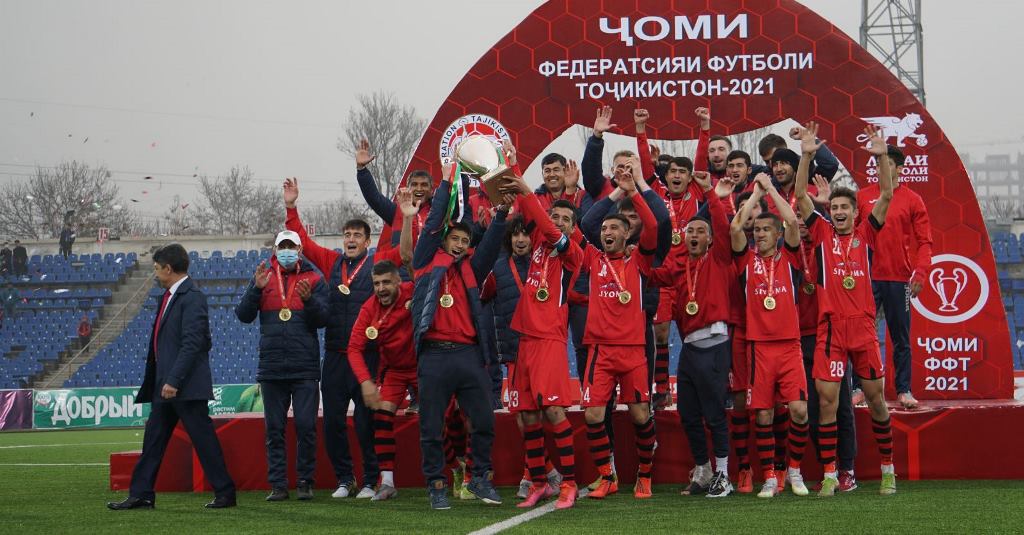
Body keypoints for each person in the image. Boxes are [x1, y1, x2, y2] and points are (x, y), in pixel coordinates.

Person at [794, 122, 898, 496]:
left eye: (844, 207)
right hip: (831, 330)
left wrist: (882, 157)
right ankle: (830, 474)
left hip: (863, 328)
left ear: (855, 212)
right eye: (834, 207)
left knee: (876, 400)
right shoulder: (821, 233)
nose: (838, 211)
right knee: (827, 403)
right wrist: (806, 156)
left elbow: (886, 194)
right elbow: (800, 196)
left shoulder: (867, 233)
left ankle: (888, 470)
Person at [283, 177, 399, 499]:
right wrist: (291, 207)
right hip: (334, 355)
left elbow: (406, 250)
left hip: (367, 355)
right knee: (333, 422)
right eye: (347, 235)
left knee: (364, 422)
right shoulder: (333, 263)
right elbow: (304, 242)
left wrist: (405, 217)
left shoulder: (377, 263)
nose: (350, 239)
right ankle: (345, 479)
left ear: (367, 241)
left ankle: (370, 479)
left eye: (357, 235)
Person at [410, 162, 509, 510]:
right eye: (455, 239)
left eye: (465, 241)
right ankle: (436, 485)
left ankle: (480, 478)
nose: (460, 244)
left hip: (468, 354)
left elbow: (491, 246)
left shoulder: (471, 269)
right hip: (434, 354)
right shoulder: (425, 261)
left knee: (483, 420)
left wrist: (501, 214)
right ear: (444, 240)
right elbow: (433, 223)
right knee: (431, 426)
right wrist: (447, 181)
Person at [107, 244, 236, 510]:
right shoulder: (167, 297)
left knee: (203, 441)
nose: (155, 274)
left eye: (157, 268)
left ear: (168, 268)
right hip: (165, 385)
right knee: (152, 441)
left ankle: (225, 493)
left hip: (184, 386)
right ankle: (141, 494)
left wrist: (174, 380)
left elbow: (194, 343)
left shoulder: (192, 297)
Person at [577, 159, 664, 500]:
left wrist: (635, 189)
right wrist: (616, 192)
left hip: (632, 351)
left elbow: (653, 225)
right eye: (605, 230)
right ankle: (606, 476)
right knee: (593, 415)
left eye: (615, 228)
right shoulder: (593, 259)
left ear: (628, 234)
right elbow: (586, 222)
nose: (607, 232)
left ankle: (645, 475)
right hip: (600, 351)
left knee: (641, 415)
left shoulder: (639, 260)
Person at [650, 171, 734, 498]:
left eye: (701, 231)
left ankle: (723, 474)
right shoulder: (679, 266)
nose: (694, 235)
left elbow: (722, 226)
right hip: (688, 349)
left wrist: (711, 192)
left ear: (710, 239)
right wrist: (637, 252)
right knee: (688, 414)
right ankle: (703, 469)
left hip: (714, 345)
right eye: (690, 231)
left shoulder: (720, 257)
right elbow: (652, 275)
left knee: (714, 414)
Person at [502, 175, 583, 510]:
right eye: (555, 216)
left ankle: (569, 484)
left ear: (573, 228)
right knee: (529, 415)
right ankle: (539, 483)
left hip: (549, 337)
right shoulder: (538, 244)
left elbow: (546, 225)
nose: (558, 222)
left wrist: (525, 189)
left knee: (553, 410)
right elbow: (531, 215)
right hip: (525, 338)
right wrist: (509, 165)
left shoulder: (573, 253)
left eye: (565, 219)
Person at [730, 174, 811, 499]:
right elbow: (736, 227)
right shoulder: (746, 261)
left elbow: (791, 220)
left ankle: (794, 470)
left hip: (790, 346)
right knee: (762, 414)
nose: (760, 234)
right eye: (758, 230)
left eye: (766, 230)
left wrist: (772, 191)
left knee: (799, 410)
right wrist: (755, 193)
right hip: (759, 348)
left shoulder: (789, 259)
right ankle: (768, 478)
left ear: (778, 235)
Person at [235, 230, 329, 502]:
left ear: (299, 250)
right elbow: (243, 315)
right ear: (275, 250)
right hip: (272, 367)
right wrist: (255, 289)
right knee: (274, 429)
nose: (286, 250)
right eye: (282, 246)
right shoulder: (263, 277)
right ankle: (278, 485)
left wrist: (309, 300)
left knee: (306, 427)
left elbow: (323, 319)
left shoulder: (315, 278)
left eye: (291, 246)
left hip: (304, 367)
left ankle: (305, 482)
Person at [855, 145, 933, 409]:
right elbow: (851, 236)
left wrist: (921, 271)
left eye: (886, 163)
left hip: (898, 278)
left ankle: (904, 390)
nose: (880, 168)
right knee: (860, 335)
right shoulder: (862, 196)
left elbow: (925, 241)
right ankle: (858, 387)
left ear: (899, 169)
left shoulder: (913, 199)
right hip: (866, 277)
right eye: (877, 164)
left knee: (900, 337)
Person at [348, 260, 415, 502]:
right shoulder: (369, 308)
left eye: (386, 282)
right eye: (376, 283)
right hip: (394, 370)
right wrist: (365, 381)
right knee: (382, 419)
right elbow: (353, 348)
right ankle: (387, 483)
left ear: (398, 281)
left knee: (443, 420)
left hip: (422, 366)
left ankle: (458, 469)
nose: (381, 288)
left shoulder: (413, 290)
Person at [354, 139, 434, 249]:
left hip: (431, 260)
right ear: (408, 189)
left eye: (424, 185)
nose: (419, 189)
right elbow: (374, 198)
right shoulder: (396, 211)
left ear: (431, 190)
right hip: (402, 260)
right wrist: (362, 170)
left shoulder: (439, 212)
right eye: (414, 184)